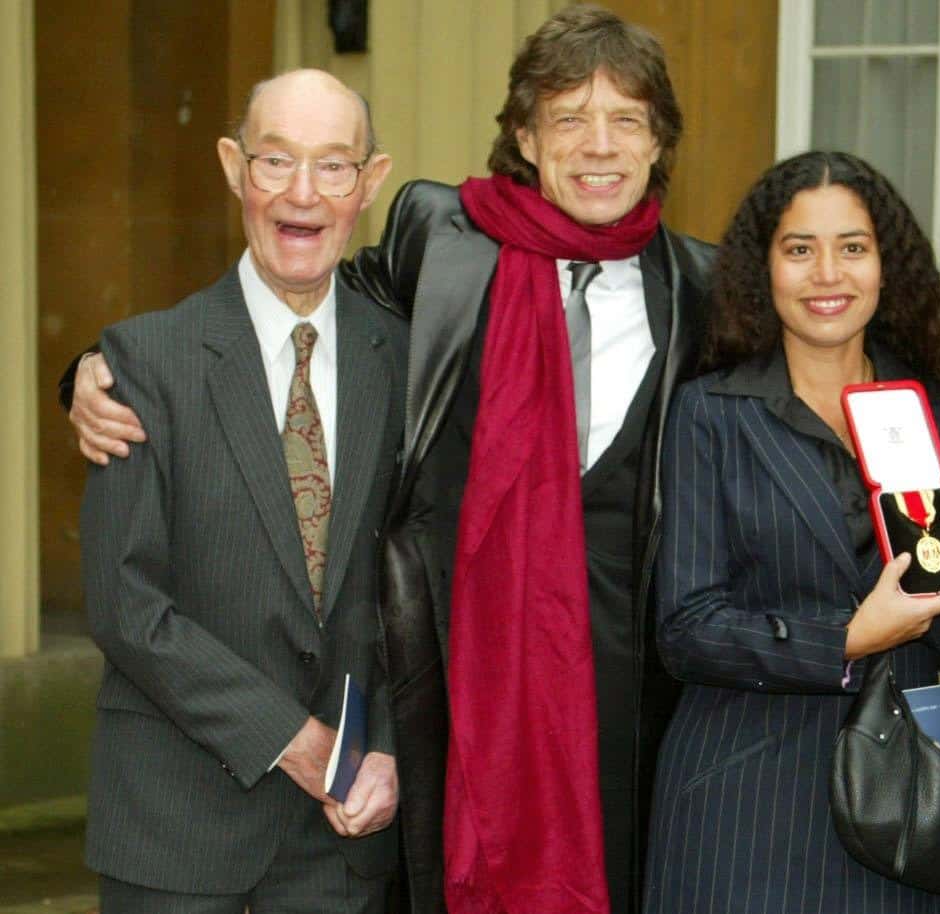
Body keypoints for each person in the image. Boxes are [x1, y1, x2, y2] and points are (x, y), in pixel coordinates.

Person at [65, 8, 713, 913]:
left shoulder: (703, 292)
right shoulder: (443, 247)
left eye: (626, 120)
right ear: (525, 137)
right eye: (569, 117)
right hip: (411, 711)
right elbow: (289, 304)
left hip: (603, 699)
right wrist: (92, 373)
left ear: (659, 143)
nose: (598, 146)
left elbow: (786, 394)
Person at [79, 69, 404, 913]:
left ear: (370, 183)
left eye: (334, 166)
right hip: (174, 828)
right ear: (233, 168)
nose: (303, 195)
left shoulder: (405, 362)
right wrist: (292, 741)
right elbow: (123, 604)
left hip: (341, 838)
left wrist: (391, 749)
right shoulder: (144, 362)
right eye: (275, 162)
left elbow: (425, 586)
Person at [643, 151, 940, 914]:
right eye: (799, 249)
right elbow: (685, 629)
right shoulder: (712, 413)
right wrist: (847, 636)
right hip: (741, 799)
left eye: (852, 247)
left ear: (886, 266)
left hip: (895, 795)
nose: (826, 273)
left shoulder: (939, 415)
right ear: (762, 269)